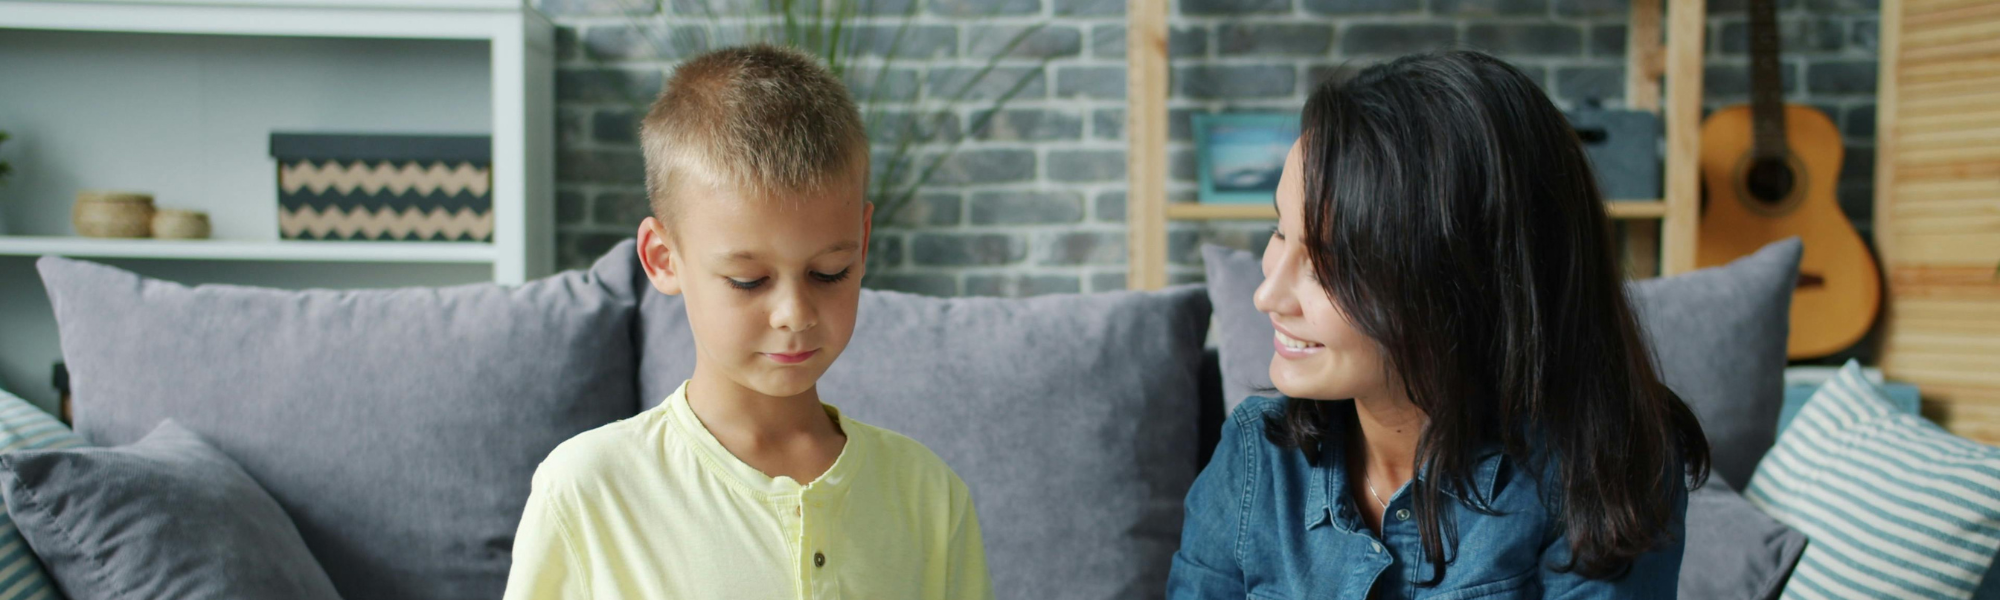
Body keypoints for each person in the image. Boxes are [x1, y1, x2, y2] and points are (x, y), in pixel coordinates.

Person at [1168, 51, 1710, 599]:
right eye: (1280, 232)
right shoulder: (1255, 454)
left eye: (1332, 262)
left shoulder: (1599, 469)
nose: (1267, 295)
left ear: (1463, 280)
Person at [504, 44, 993, 600]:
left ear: (863, 242)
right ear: (664, 259)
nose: (795, 315)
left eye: (829, 272)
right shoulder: (587, 489)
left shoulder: (929, 494)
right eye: (748, 281)